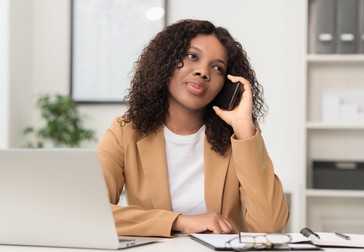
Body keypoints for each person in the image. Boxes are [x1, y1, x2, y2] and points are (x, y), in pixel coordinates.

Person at [97, 19, 289, 237]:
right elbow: (91, 213)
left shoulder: (237, 136)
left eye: (217, 68)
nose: (203, 72)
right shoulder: (126, 132)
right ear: (166, 62)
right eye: (192, 56)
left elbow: (271, 225)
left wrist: (244, 129)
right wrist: (179, 222)